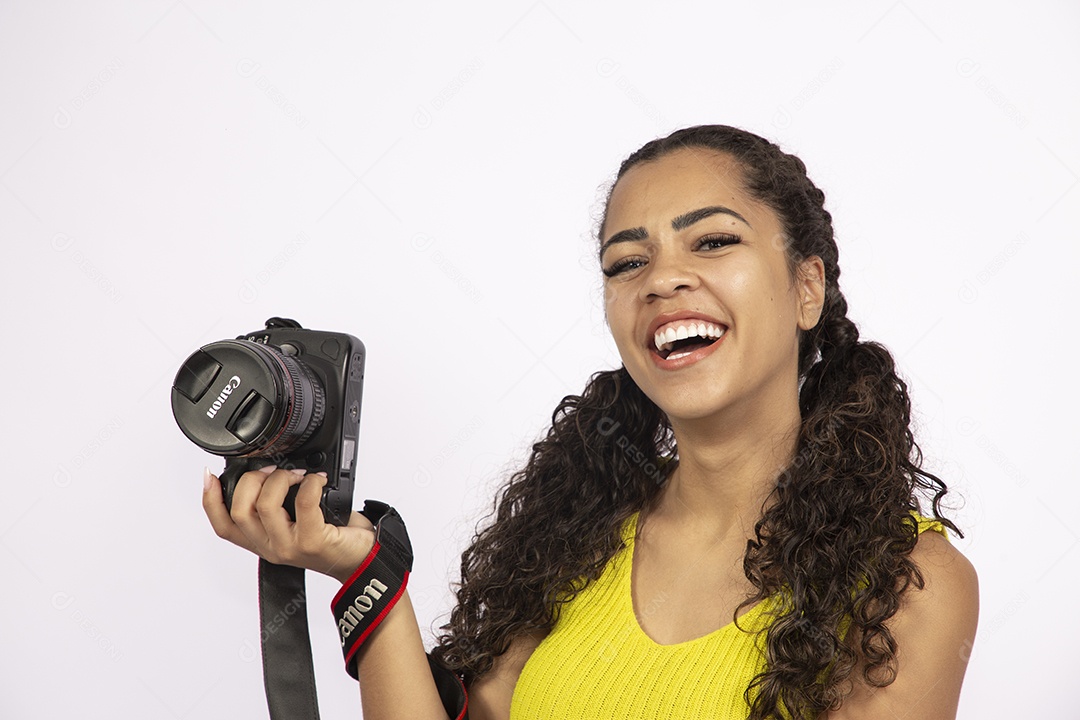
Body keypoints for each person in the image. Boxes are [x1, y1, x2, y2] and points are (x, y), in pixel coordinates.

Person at [202, 124, 979, 720]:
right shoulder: (572, 536)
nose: (664, 278)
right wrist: (365, 576)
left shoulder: (907, 582)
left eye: (713, 241)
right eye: (626, 263)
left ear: (807, 288)